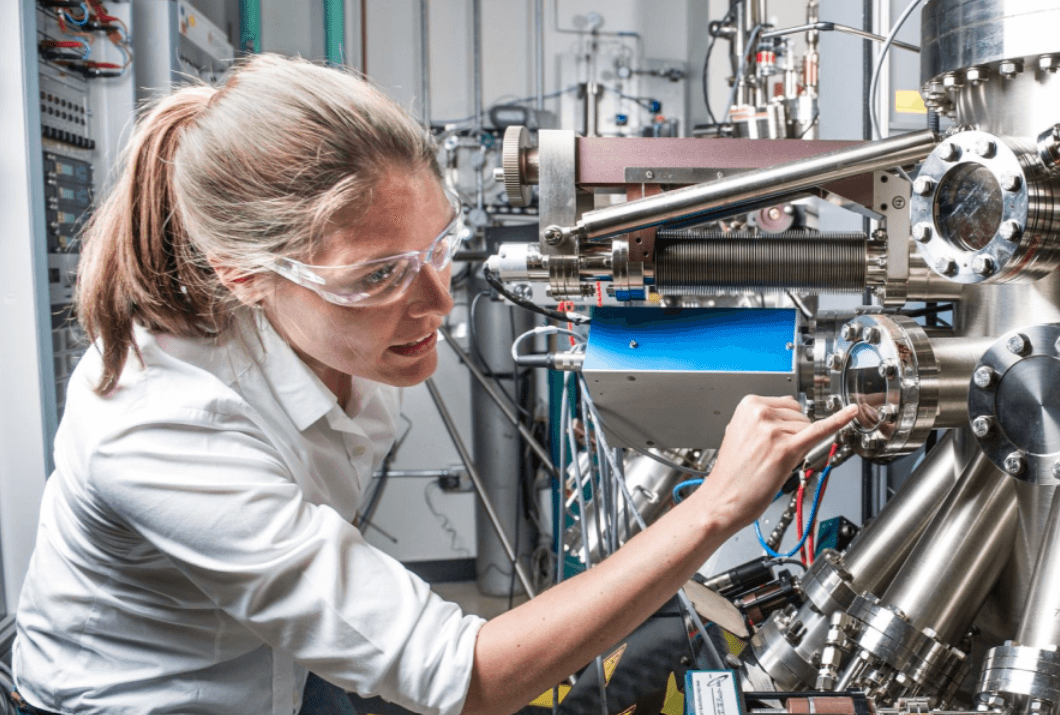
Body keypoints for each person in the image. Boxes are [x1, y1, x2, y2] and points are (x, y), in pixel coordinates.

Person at [8, 54, 857, 715]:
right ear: (242, 274)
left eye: (437, 246)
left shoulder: (327, 326)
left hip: (279, 668)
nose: (436, 302)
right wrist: (713, 507)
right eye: (378, 275)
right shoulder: (160, 425)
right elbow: (471, 678)